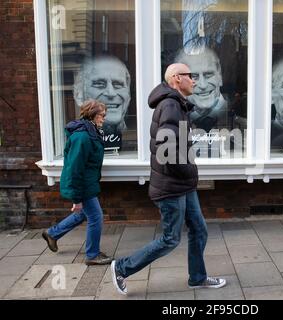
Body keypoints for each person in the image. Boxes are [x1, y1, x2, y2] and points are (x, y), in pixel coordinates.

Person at [109, 63, 226, 295]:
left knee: (199, 230)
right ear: (175, 78)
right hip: (172, 187)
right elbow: (167, 148)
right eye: (190, 76)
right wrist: (187, 171)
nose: (194, 80)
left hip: (183, 185)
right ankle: (122, 267)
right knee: (170, 239)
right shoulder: (171, 105)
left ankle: (198, 278)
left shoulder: (178, 104)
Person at [41, 100, 113, 265]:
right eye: (102, 115)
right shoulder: (82, 137)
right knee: (95, 217)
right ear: (93, 115)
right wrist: (77, 199)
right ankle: (92, 255)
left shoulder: (89, 131)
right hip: (82, 185)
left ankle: (52, 234)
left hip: (87, 183)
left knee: (82, 214)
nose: (104, 118)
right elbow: (74, 169)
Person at [73, 55, 131, 142]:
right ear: (79, 95)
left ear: (128, 95)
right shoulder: (80, 138)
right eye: (99, 84)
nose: (111, 93)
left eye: (118, 84)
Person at [174, 47, 228, 132]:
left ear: (219, 76)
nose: (203, 85)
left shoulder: (232, 113)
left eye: (208, 75)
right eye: (194, 77)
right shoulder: (174, 115)